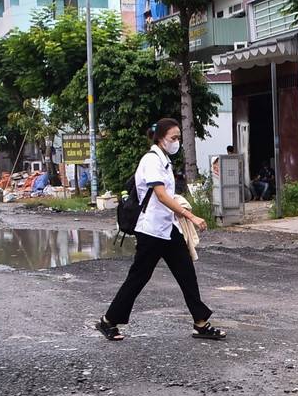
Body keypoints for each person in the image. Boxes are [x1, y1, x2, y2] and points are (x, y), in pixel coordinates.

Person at [94, 118, 225, 342]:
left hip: (168, 228)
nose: (176, 142)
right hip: (151, 230)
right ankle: (108, 321)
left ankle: (200, 323)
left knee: (187, 274)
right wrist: (191, 216)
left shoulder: (164, 160)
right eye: (173, 138)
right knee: (139, 277)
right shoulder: (151, 160)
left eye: (178, 138)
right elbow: (162, 196)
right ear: (160, 138)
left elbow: (167, 197)